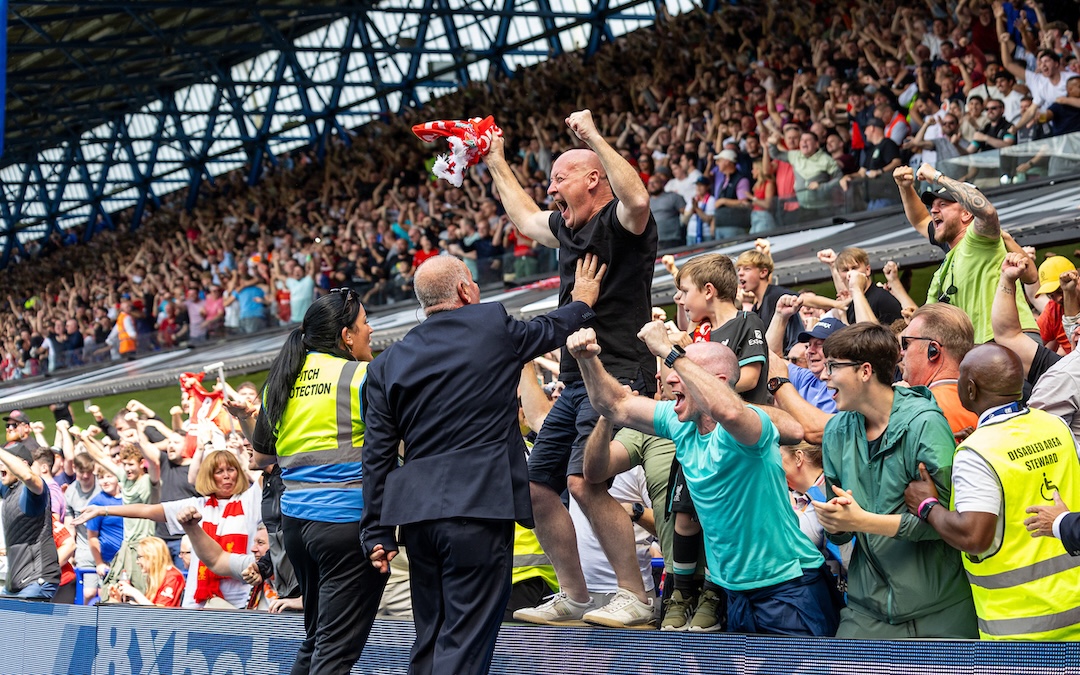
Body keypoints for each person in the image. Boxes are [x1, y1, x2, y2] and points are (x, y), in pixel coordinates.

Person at [361, 254, 603, 674]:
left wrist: (376, 531)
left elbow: (377, 455)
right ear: (465, 290)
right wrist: (581, 301)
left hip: (417, 518)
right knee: (466, 641)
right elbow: (550, 329)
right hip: (478, 508)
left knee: (431, 634)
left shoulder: (387, 362)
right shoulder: (490, 326)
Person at [485, 110, 659, 628]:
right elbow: (524, 218)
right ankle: (576, 595)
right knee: (538, 485)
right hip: (574, 380)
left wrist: (594, 138)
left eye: (561, 177)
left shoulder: (623, 224)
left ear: (593, 179)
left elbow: (639, 199)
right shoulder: (567, 226)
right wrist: (495, 160)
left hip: (619, 373)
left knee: (586, 482)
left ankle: (634, 596)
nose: (551, 187)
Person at [566, 322, 838, 635]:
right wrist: (588, 360)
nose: (669, 377)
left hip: (789, 588)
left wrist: (668, 351)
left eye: (681, 370)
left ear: (717, 382)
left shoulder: (750, 426)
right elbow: (615, 404)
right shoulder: (679, 421)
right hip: (734, 593)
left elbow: (731, 413)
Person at [903, 344, 1080, 640]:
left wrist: (928, 506)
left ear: (970, 389)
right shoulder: (1055, 425)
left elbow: (974, 536)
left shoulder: (977, 452)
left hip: (1019, 629)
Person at [813, 323, 978, 638]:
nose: (824, 375)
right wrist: (837, 524)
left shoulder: (925, 424)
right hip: (866, 609)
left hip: (939, 610)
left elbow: (950, 525)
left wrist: (863, 521)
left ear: (865, 371)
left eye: (833, 366)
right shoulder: (836, 431)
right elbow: (841, 532)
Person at [251, 290, 385, 675]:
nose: (370, 329)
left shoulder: (280, 380)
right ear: (346, 335)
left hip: (296, 528)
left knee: (317, 641)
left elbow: (262, 457)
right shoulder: (360, 375)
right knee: (334, 654)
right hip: (345, 526)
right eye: (364, 323)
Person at [75, 449, 261, 608]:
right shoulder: (198, 505)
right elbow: (146, 509)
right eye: (219, 471)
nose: (227, 475)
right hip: (200, 602)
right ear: (209, 476)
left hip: (241, 599)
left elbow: (271, 467)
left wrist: (245, 417)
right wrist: (103, 510)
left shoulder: (250, 500)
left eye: (231, 469)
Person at [892, 164, 1036, 343]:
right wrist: (905, 187)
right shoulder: (952, 250)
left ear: (967, 213)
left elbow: (987, 212)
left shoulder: (978, 238)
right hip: (984, 347)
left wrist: (936, 176)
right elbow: (921, 219)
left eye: (943, 204)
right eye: (933, 206)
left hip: (1008, 341)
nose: (933, 210)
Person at [899, 304, 979, 438]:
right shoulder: (988, 402)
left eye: (906, 343)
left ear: (933, 351)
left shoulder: (915, 410)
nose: (901, 352)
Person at [0, 441, 60, 600]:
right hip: (14, 584)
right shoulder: (7, 489)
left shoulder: (34, 490)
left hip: (37, 580)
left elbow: (27, 475)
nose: (1, 466)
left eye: (4, 462)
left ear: (23, 464)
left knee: (21, 624)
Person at [114, 536, 185, 607]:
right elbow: (148, 606)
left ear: (152, 557)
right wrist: (119, 599)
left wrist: (134, 593)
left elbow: (160, 613)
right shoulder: (156, 576)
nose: (137, 562)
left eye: (139, 557)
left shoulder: (173, 577)